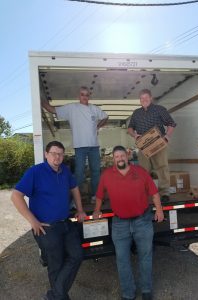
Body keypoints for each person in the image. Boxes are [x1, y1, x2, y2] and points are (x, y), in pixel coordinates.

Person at [11, 141, 87, 300]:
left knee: (77, 254)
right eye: (54, 153)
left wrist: (80, 210)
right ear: (46, 154)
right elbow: (16, 196)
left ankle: (54, 295)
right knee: (56, 264)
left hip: (65, 222)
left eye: (60, 154)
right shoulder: (35, 172)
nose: (57, 157)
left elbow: (74, 188)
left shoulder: (65, 171)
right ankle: (60, 296)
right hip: (46, 227)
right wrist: (33, 221)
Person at [93, 145, 164, 300]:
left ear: (128, 156)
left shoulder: (141, 172)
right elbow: (99, 195)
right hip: (120, 224)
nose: (120, 158)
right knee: (122, 259)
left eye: (122, 155)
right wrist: (97, 210)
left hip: (143, 221)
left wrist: (159, 210)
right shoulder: (106, 175)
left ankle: (146, 290)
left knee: (145, 256)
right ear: (113, 159)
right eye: (117, 156)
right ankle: (128, 293)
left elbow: (154, 193)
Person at [42, 86, 108, 202]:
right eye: (82, 94)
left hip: (94, 146)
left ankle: (94, 196)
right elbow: (52, 109)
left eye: (87, 95)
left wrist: (98, 126)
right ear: (79, 96)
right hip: (80, 147)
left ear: (89, 96)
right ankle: (75, 198)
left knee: (96, 171)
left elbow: (106, 117)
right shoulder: (72, 107)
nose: (84, 97)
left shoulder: (94, 108)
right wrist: (41, 101)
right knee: (79, 173)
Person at [128, 88, 176, 203]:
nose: (144, 100)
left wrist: (167, 136)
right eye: (142, 98)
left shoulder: (159, 109)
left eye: (146, 97)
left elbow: (171, 123)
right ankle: (144, 192)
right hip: (143, 146)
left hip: (159, 144)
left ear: (151, 98)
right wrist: (134, 135)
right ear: (140, 100)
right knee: (143, 170)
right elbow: (130, 128)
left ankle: (164, 193)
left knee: (162, 167)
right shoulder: (136, 113)